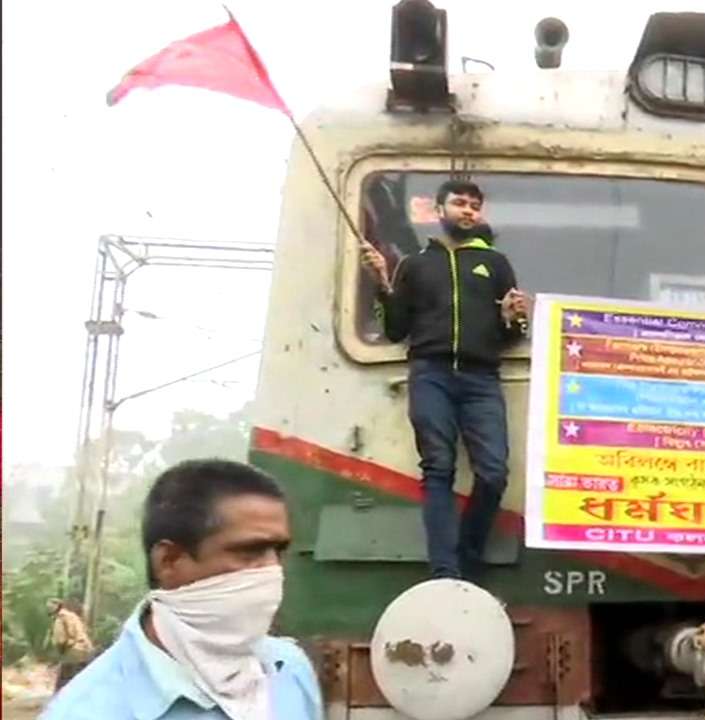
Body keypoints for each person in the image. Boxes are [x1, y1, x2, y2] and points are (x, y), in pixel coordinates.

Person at [42, 459, 321, 720]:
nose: (273, 571)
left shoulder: (289, 670)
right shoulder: (87, 711)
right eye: (250, 552)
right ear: (169, 561)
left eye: (278, 552)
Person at [361, 179, 529, 581]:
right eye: (459, 203)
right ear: (439, 211)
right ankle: (444, 570)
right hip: (430, 373)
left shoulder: (497, 264)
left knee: (493, 473)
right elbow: (397, 330)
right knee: (438, 468)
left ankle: (467, 554)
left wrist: (512, 318)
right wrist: (383, 283)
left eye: (475, 205)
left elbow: (513, 334)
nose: (468, 211)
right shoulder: (416, 264)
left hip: (482, 377)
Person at [47, 599, 94, 690]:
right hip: (88, 650)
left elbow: (60, 640)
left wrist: (60, 653)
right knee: (84, 681)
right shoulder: (73, 616)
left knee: (62, 684)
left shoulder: (60, 618)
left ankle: (59, 702)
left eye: (50, 606)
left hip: (74, 652)